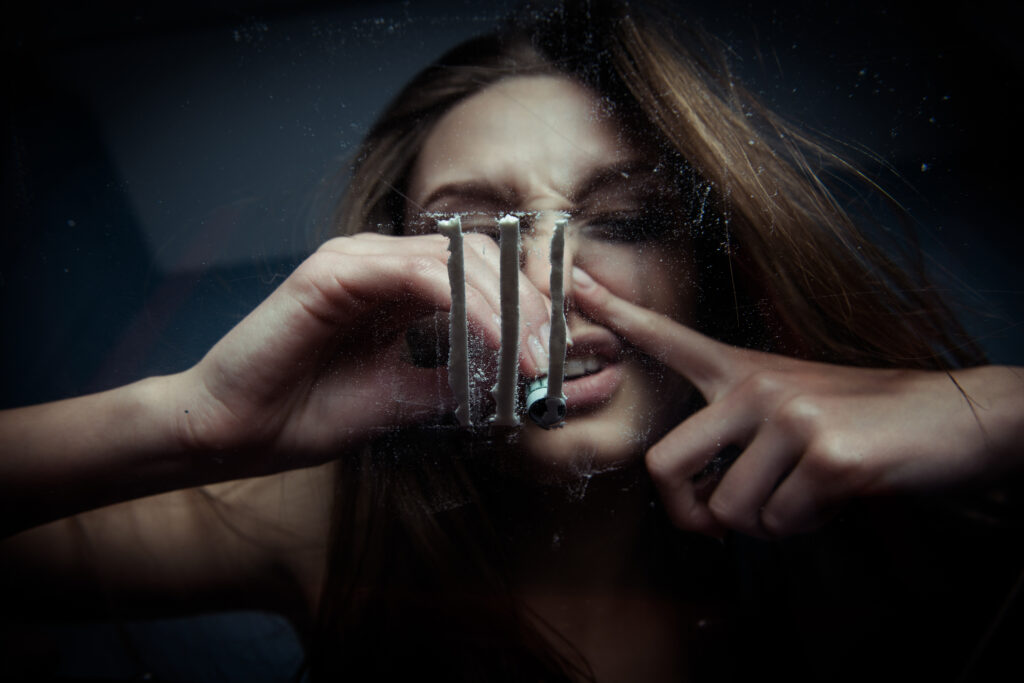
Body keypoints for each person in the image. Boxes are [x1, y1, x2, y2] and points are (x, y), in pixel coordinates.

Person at [2, 1, 1022, 680]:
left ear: (710, 269)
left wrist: (999, 407)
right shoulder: (321, 520)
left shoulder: (870, 513)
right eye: (473, 237)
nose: (547, 275)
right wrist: (190, 420)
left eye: (623, 219)